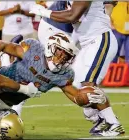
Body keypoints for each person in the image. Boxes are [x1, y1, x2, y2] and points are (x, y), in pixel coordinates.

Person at [30, 1, 124, 136]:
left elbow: (72, 16)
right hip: (88, 44)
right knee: (74, 85)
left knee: (88, 85)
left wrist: (44, 12)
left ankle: (113, 124)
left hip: (100, 40)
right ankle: (100, 118)